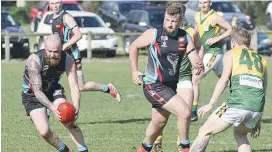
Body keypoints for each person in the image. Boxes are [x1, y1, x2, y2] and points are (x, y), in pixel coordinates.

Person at [129, 3, 204, 152]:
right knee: (185, 112)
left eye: (174, 21)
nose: (169, 24)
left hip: (169, 87)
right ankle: (185, 149)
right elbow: (133, 46)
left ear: (180, 21)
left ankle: (143, 150)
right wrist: (134, 71)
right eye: (167, 20)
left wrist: (198, 65)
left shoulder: (184, 37)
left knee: (158, 123)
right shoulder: (154, 33)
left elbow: (193, 56)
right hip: (153, 85)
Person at [190, 27, 268, 152]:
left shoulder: (231, 54)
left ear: (233, 43)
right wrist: (258, 119)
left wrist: (211, 104)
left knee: (204, 132)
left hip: (237, 104)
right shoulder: (262, 60)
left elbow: (224, 80)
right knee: (241, 134)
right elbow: (263, 89)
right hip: (256, 108)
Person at [21, 34, 89, 152]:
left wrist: (76, 107)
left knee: (68, 117)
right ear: (44, 46)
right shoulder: (34, 60)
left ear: (62, 47)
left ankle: (83, 149)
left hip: (53, 89)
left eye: (56, 52)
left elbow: (74, 86)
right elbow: (37, 92)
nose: (52, 55)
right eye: (49, 51)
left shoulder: (68, 60)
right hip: (32, 94)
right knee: (44, 131)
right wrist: (52, 108)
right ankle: (66, 150)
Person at [152, 2, 204, 152]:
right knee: (161, 117)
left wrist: (197, 61)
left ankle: (182, 146)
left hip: (184, 77)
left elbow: (199, 47)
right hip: (166, 79)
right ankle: (157, 141)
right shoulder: (163, 33)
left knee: (185, 113)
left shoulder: (191, 33)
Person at [47, 0, 121, 102]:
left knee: (81, 87)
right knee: (50, 80)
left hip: (73, 56)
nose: (55, 6)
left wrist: (65, 46)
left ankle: (107, 88)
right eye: (52, 3)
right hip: (60, 56)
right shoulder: (51, 18)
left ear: (61, 3)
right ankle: (52, 107)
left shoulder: (66, 17)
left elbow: (78, 34)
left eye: (57, 3)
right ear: (49, 4)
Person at [192, 0, 232, 121]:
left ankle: (193, 113)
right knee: (228, 81)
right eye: (200, 3)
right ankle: (244, 97)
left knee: (194, 79)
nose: (202, 5)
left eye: (205, 2)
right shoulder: (197, 15)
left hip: (213, 53)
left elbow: (231, 29)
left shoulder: (215, 17)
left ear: (210, 3)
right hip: (205, 53)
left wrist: (217, 38)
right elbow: (196, 33)